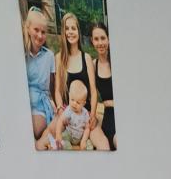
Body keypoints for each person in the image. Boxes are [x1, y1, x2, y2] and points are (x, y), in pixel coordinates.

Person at [55, 13, 109, 151]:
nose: (70, 32)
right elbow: (57, 91)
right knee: (45, 140)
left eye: (73, 28)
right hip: (67, 115)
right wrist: (60, 109)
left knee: (104, 144)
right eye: (67, 28)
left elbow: (93, 91)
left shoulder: (86, 58)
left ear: (78, 31)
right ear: (63, 32)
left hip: (85, 116)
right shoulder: (59, 58)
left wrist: (92, 115)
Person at [22, 8, 56, 142]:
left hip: (40, 103)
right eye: (36, 30)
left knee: (35, 130)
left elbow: (52, 85)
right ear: (28, 29)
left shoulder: (49, 56)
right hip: (23, 100)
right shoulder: (22, 54)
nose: (40, 35)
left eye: (43, 32)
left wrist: (55, 104)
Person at [36, 79, 92, 150]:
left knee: (89, 144)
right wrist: (58, 134)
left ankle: (83, 146)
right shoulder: (69, 110)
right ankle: (65, 147)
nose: (74, 104)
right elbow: (60, 121)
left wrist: (84, 140)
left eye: (78, 102)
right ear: (69, 96)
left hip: (80, 136)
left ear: (83, 103)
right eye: (72, 100)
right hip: (69, 135)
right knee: (62, 141)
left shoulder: (85, 113)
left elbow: (87, 128)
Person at [91, 22, 116, 150]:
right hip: (109, 116)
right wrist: (92, 115)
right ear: (92, 41)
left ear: (108, 39)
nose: (100, 43)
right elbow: (92, 93)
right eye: (96, 39)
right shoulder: (93, 65)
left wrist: (111, 103)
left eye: (103, 38)